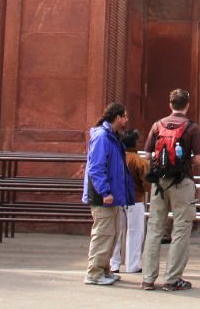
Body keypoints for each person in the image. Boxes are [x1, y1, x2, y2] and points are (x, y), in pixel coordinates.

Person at [141, 89, 200, 292]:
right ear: (187, 104)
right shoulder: (191, 128)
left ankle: (148, 279)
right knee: (181, 229)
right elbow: (199, 159)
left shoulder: (157, 125)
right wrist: (182, 162)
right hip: (181, 182)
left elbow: (147, 155)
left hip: (159, 183)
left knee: (154, 229)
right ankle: (172, 279)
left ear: (170, 104)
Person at [82, 102, 134, 286]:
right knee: (103, 233)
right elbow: (96, 168)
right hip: (102, 195)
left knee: (111, 233)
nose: (127, 120)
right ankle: (94, 272)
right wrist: (105, 191)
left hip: (111, 194)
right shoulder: (103, 138)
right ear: (117, 117)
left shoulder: (111, 137)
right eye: (125, 116)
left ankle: (103, 269)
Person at [110, 129, 148, 274]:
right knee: (135, 231)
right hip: (135, 199)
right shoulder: (138, 160)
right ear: (135, 142)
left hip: (118, 198)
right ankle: (132, 264)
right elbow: (147, 183)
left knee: (117, 232)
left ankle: (114, 264)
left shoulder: (117, 157)